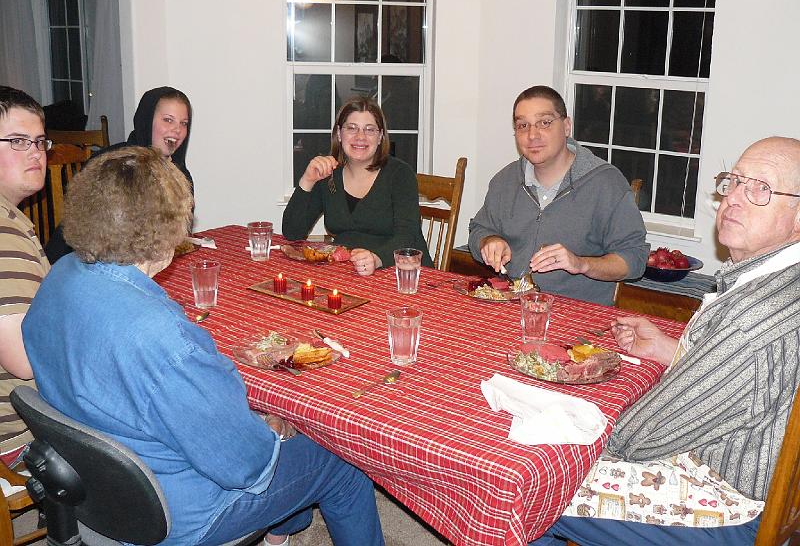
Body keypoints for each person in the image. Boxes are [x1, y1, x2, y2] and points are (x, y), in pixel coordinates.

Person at [22, 147, 384, 546]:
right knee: (341, 461)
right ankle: (289, 514)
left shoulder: (57, 279)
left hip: (99, 490)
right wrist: (274, 431)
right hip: (180, 514)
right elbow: (248, 467)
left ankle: (283, 528)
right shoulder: (164, 339)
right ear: (165, 231)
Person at [532, 136, 800, 545]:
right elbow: (753, 385)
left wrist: (572, 427)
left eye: (760, 189)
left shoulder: (755, 315)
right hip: (750, 466)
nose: (734, 199)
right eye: (733, 181)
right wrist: (670, 349)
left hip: (730, 503)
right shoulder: (778, 281)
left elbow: (639, 439)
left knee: (529, 483)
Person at [468, 85, 648, 306]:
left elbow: (635, 258)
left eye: (544, 122)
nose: (532, 135)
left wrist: (581, 264)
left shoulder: (605, 183)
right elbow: (478, 230)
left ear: (566, 126)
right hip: (511, 308)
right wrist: (489, 241)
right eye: (522, 125)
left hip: (579, 317)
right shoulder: (505, 181)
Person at [282, 96, 432, 276]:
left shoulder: (400, 174)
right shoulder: (329, 174)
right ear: (339, 133)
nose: (360, 137)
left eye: (369, 130)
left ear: (380, 137)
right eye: (351, 128)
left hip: (403, 272)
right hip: (348, 272)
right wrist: (307, 181)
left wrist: (376, 259)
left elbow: (407, 236)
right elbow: (292, 233)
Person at [45, 86, 193, 263]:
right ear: (146, 121)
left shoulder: (180, 174)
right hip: (88, 263)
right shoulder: (115, 166)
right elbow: (93, 236)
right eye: (168, 120)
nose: (177, 129)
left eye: (183, 123)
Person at [0, 86, 51, 466]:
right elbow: (24, 360)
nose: (36, 152)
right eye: (18, 141)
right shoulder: (4, 232)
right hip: (23, 430)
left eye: (39, 141)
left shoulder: (12, 218)